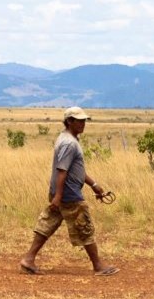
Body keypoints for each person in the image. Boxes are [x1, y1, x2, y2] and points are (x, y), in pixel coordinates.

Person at [19, 106, 119, 276]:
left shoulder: (67, 139)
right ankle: (98, 265)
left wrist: (93, 184)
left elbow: (74, 169)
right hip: (68, 194)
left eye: (84, 120)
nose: (82, 124)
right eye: (79, 120)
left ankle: (28, 259)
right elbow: (62, 171)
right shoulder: (69, 144)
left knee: (48, 224)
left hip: (63, 192)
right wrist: (58, 196)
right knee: (84, 225)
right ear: (69, 121)